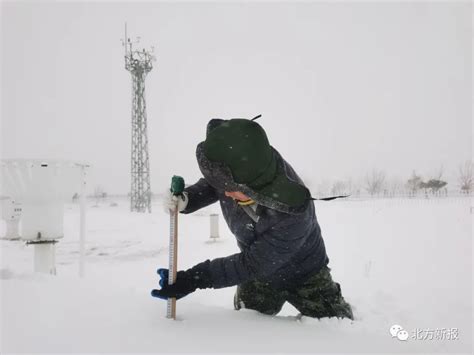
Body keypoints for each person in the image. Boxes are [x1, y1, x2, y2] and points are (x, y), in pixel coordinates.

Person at [152, 116, 354, 320]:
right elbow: (215, 183)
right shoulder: (238, 171)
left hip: (305, 274)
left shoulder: (292, 215)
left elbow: (250, 264)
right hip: (260, 278)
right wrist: (188, 199)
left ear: (254, 188)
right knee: (247, 326)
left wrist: (193, 279)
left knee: (337, 327)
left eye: (230, 190)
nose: (226, 193)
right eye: (224, 187)